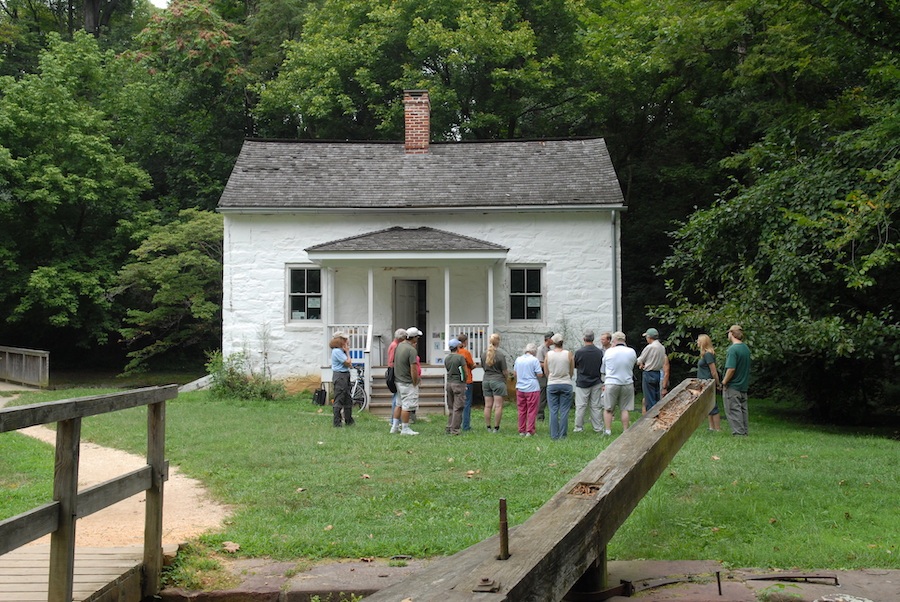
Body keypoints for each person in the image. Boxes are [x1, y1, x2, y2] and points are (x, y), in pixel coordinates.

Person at [600, 331, 637, 435]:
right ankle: (625, 430)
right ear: (624, 340)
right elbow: (633, 364)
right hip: (627, 382)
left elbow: (603, 369)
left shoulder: (609, 352)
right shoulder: (631, 351)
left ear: (614, 340)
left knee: (608, 408)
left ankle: (607, 430)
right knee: (625, 409)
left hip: (611, 382)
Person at [390, 327, 423, 435]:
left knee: (398, 404)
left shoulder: (399, 346)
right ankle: (405, 428)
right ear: (414, 338)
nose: (418, 339)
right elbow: (413, 368)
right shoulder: (411, 350)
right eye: (417, 337)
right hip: (407, 381)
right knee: (407, 406)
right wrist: (415, 381)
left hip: (398, 380)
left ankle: (394, 426)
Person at [721, 324, 751, 436]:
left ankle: (738, 433)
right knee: (743, 410)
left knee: (733, 410)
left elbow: (731, 369)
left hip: (733, 386)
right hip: (743, 385)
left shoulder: (733, 350)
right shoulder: (746, 348)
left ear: (732, 334)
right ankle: (744, 432)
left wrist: (724, 382)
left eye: (728, 333)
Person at [573, 330, 604, 433]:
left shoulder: (579, 352)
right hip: (596, 381)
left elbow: (575, 365)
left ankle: (578, 427)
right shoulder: (599, 352)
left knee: (581, 406)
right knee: (596, 406)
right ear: (593, 339)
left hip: (582, 382)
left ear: (584, 339)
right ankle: (598, 427)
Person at [545, 333, 574, 440]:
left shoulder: (549, 354)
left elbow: (546, 370)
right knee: (564, 410)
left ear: (553, 343)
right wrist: (568, 377)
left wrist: (550, 378)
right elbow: (571, 369)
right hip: (566, 383)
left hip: (552, 383)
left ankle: (554, 435)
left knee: (553, 410)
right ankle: (563, 435)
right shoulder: (568, 354)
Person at [637, 327, 670, 413]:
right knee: (656, 397)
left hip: (649, 373)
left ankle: (651, 417)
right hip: (657, 373)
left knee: (649, 398)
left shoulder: (650, 347)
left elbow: (640, 360)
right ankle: (657, 415)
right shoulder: (662, 347)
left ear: (649, 337)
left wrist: (640, 363)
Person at [513, 342, 543, 436]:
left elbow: (515, 373)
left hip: (520, 387)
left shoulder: (518, 359)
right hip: (532, 387)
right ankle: (530, 430)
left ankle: (521, 430)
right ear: (534, 351)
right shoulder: (534, 360)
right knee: (532, 410)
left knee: (522, 410)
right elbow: (539, 374)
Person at [481, 333, 509, 432]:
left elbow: (483, 367)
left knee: (487, 405)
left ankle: (488, 426)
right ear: (498, 342)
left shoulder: (484, 354)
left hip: (486, 380)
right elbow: (505, 371)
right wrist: (506, 379)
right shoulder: (500, 355)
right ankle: (496, 427)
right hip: (498, 380)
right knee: (498, 405)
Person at [696, 334, 721, 431]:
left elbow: (713, 371)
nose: (697, 342)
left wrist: (717, 383)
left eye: (698, 341)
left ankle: (717, 428)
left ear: (703, 342)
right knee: (707, 405)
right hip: (703, 382)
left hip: (708, 382)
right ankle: (711, 427)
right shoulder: (704, 355)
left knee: (713, 404)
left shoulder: (708, 354)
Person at [330, 332, 354, 427]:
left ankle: (349, 420)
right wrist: (347, 352)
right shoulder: (337, 351)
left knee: (347, 398)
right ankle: (337, 422)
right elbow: (348, 362)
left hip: (345, 375)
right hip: (340, 376)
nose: (347, 341)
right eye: (345, 339)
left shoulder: (341, 351)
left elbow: (349, 364)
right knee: (339, 398)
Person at [444, 338, 468, 435]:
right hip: (458, 383)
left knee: (451, 407)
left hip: (449, 383)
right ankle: (455, 429)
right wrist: (464, 382)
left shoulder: (447, 358)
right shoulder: (460, 358)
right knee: (458, 407)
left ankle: (449, 426)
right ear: (457, 347)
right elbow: (464, 372)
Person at [386, 328, 407, 426]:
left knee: (397, 396)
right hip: (394, 371)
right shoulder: (395, 346)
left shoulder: (393, 344)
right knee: (397, 396)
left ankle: (395, 420)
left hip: (392, 370)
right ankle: (394, 420)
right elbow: (392, 361)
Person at [457, 333, 478, 431]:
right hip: (467, 380)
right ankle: (466, 425)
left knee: (457, 403)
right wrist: (474, 365)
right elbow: (471, 364)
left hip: (456, 380)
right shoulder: (466, 353)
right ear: (465, 342)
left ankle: (456, 424)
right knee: (466, 403)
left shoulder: (455, 353)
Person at [536, 332, 554, 420]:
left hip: (549, 375)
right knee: (542, 396)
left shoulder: (549, 349)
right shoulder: (541, 349)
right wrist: (549, 365)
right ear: (548, 339)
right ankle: (539, 416)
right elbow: (539, 363)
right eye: (552, 338)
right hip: (542, 376)